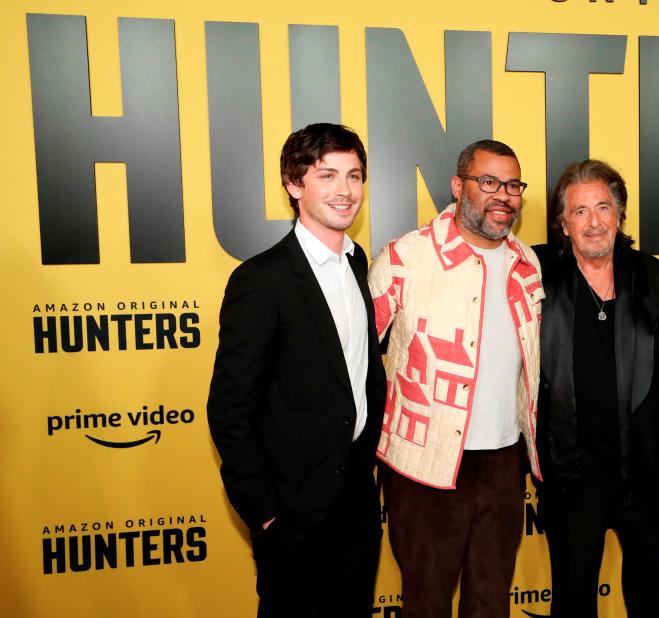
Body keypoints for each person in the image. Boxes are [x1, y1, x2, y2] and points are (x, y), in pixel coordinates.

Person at [207, 123, 386, 617]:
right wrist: (264, 513)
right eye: (327, 175)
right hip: (290, 512)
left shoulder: (355, 263)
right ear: (294, 183)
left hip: (354, 498)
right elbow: (229, 409)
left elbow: (359, 376)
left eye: (353, 176)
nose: (345, 191)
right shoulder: (262, 281)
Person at [368, 139, 544, 618]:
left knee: (490, 603)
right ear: (458, 186)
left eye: (512, 185)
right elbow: (355, 362)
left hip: (506, 463)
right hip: (425, 467)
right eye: (488, 182)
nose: (502, 195)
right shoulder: (404, 258)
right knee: (425, 604)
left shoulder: (527, 264)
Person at [534, 159, 659, 618]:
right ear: (563, 224)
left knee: (652, 599)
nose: (594, 223)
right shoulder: (533, 276)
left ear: (620, 213)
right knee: (572, 600)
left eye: (603, 207)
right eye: (580, 211)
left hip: (646, 475)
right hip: (569, 478)